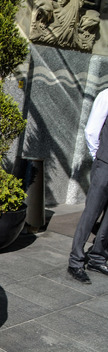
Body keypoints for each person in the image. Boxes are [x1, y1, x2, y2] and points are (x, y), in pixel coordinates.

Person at [68, 87, 108, 284]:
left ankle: (98, 257)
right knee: (91, 213)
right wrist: (98, 157)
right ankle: (76, 260)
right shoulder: (106, 95)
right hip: (105, 165)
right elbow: (91, 130)